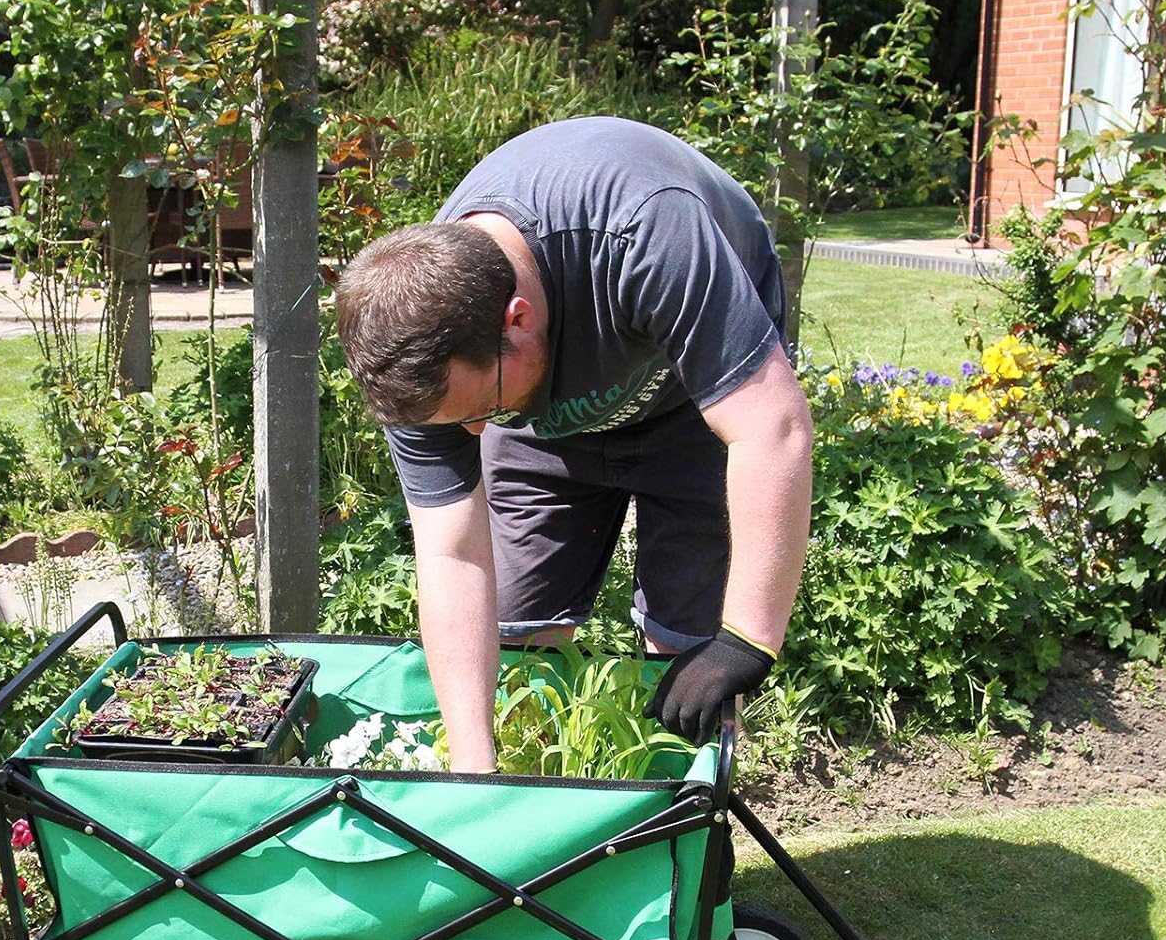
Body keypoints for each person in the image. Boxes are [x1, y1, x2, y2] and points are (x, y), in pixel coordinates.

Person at [334, 116, 813, 773]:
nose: (475, 435)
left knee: (690, 654)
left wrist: (748, 640)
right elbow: (452, 553)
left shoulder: (647, 231)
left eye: (484, 411)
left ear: (517, 320)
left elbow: (772, 428)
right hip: (550, 406)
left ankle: (677, 843)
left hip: (693, 402)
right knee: (516, 640)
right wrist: (472, 772)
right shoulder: (420, 353)